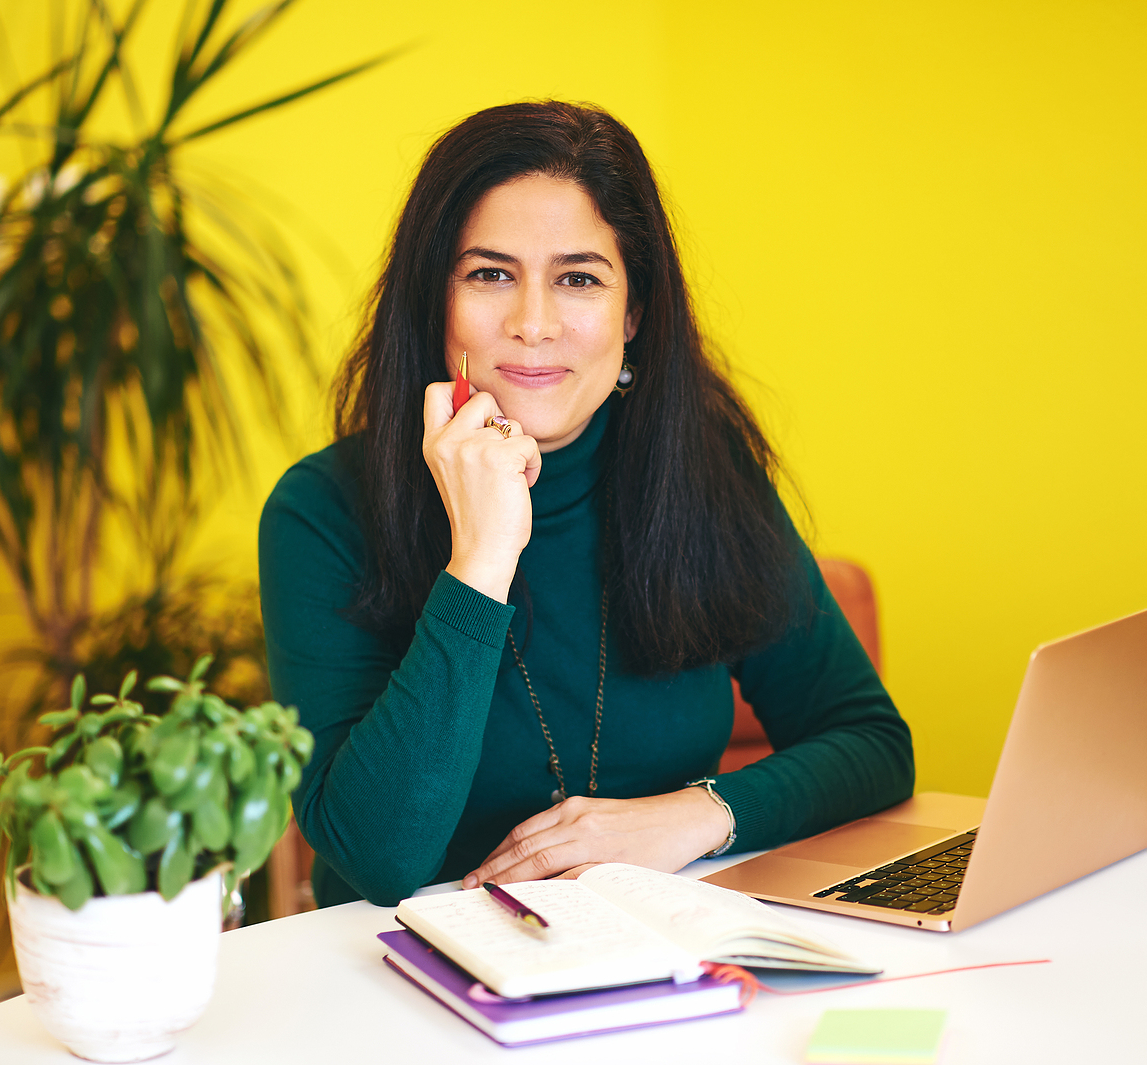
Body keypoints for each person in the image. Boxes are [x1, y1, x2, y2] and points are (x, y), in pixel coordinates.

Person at [259, 101, 913, 909]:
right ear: (438, 303)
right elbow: (380, 860)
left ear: (632, 313)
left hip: (658, 949)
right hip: (408, 981)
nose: (533, 324)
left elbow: (873, 742)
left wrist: (692, 815)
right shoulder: (322, 510)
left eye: (579, 278)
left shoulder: (701, 469)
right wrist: (482, 558)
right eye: (490, 274)